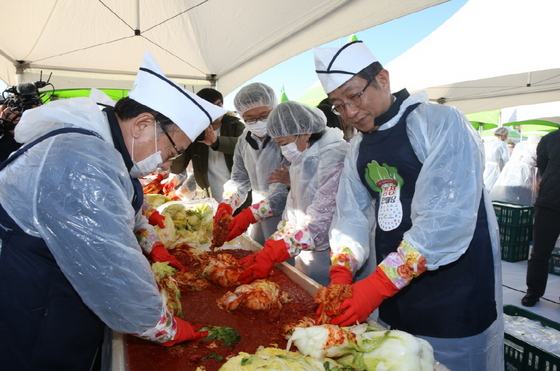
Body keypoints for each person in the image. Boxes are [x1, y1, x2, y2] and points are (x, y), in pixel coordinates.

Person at [0, 51, 227, 370]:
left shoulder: (104, 144)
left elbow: (123, 210)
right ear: (143, 125)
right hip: (37, 293)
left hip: (57, 277)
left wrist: (151, 240)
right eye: (173, 149)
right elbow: (111, 263)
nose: (166, 162)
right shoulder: (81, 159)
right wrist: (161, 325)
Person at [313, 41, 503, 370]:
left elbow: (444, 221)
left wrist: (377, 284)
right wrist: (343, 271)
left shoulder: (439, 122)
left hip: (453, 288)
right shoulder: (358, 148)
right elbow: (350, 216)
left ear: (383, 80)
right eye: (338, 105)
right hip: (392, 289)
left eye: (354, 96)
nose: (350, 112)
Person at [233, 101, 348, 286]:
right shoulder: (301, 158)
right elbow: (293, 212)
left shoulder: (333, 157)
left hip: (335, 256)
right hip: (305, 250)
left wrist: (279, 249)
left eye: (283, 143)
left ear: (305, 131)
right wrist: (272, 245)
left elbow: (322, 223)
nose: (283, 150)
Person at [216, 83, 289, 245]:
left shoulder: (288, 137)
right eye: (250, 119)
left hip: (288, 214)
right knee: (255, 250)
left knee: (283, 258)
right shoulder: (244, 140)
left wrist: (250, 215)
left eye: (264, 115)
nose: (258, 122)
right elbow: (240, 179)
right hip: (256, 211)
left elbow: (285, 188)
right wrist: (228, 203)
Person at [169, 88, 246, 203]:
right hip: (208, 198)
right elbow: (176, 168)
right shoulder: (195, 133)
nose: (216, 109)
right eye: (210, 106)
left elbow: (245, 148)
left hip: (237, 197)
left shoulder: (235, 125)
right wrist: (180, 143)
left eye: (218, 104)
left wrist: (216, 142)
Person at [522, 129, 560, 307]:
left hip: (548, 200)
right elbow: (543, 167)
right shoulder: (551, 139)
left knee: (539, 253)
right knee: (540, 252)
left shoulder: (550, 138)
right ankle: (533, 291)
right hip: (549, 204)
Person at [490, 135, 540, 206]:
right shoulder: (536, 148)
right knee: (524, 197)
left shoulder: (520, 145)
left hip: (510, 172)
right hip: (526, 173)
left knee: (509, 195)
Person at [483, 126, 510, 191]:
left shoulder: (486, 142)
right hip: (495, 168)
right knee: (492, 186)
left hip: (484, 166)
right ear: (503, 135)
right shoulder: (501, 144)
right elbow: (506, 159)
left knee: (484, 185)